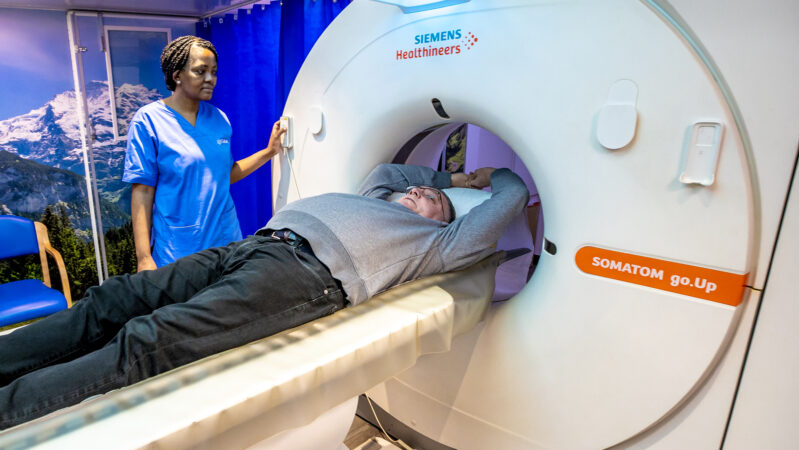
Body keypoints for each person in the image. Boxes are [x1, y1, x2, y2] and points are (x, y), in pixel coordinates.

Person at [0, 163, 529, 429]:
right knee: (108, 300)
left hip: (303, 277)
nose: (417, 193)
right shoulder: (379, 194)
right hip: (253, 244)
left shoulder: (438, 243)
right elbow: (396, 172)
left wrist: (494, 177)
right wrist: (447, 176)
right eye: (418, 189)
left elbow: (507, 201)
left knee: (146, 341)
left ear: (447, 220)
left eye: (433, 199)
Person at [124, 35, 285, 272]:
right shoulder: (148, 120)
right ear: (177, 75)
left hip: (226, 240)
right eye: (201, 71)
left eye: (214, 71)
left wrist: (269, 151)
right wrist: (143, 257)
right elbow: (143, 191)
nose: (210, 79)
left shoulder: (219, 119)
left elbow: (224, 174)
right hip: (178, 248)